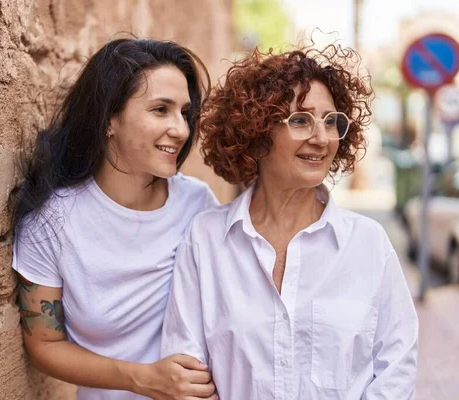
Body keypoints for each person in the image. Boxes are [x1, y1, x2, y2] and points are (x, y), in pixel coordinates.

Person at [161, 45, 419, 399]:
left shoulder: (369, 244)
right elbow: (186, 371)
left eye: (331, 121)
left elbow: (397, 366)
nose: (321, 137)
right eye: (300, 120)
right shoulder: (206, 239)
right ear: (256, 131)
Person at [11, 38, 219, 400]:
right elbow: (44, 343)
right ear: (109, 119)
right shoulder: (52, 224)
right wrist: (142, 379)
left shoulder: (198, 205)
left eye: (184, 113)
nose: (181, 130)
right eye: (160, 110)